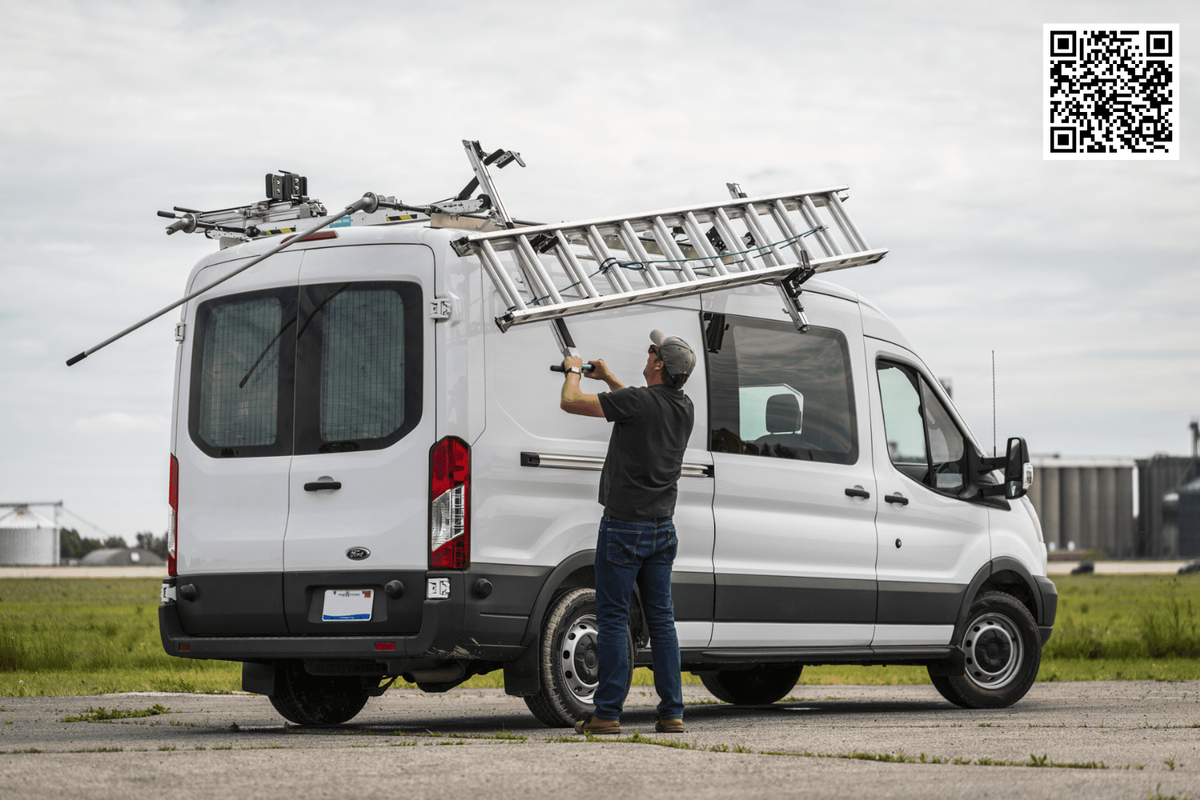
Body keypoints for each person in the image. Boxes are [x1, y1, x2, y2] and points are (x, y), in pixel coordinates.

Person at [558, 329, 697, 735]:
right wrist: (609, 378)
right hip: (662, 531)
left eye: (652, 350)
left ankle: (607, 715)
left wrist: (574, 372)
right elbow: (638, 404)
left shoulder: (639, 401)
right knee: (662, 621)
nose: (649, 351)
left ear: (658, 364)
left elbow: (571, 401)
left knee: (615, 619)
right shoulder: (683, 406)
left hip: (623, 528)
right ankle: (672, 713)